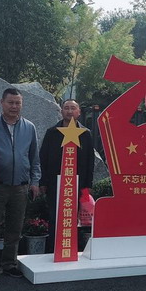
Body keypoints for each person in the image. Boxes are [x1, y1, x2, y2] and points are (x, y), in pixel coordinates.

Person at [0, 88, 41, 282]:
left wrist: (35, 181)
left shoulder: (29, 127)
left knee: (15, 229)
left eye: (17, 103)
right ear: (2, 103)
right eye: (10, 102)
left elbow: (34, 157)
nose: (14, 106)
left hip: (20, 187)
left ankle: (9, 264)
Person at [39, 99, 95, 253]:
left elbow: (90, 161)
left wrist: (88, 185)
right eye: (66, 108)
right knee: (54, 217)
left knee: (74, 218)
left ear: (79, 112)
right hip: (55, 184)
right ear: (61, 111)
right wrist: (43, 182)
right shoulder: (52, 132)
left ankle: (71, 251)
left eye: (73, 108)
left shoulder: (86, 134)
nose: (70, 111)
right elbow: (43, 158)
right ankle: (53, 251)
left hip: (77, 185)